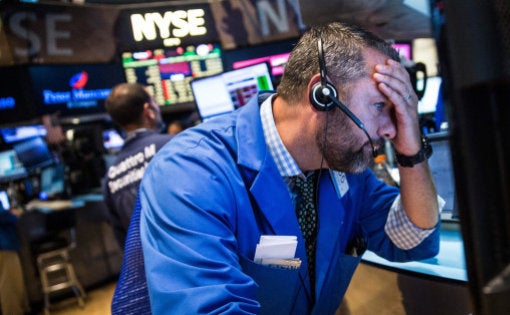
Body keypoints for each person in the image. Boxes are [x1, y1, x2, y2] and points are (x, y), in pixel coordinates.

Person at [137, 22, 441, 314]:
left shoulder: (344, 170)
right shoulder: (191, 172)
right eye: (379, 106)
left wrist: (411, 149)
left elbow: (414, 241)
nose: (391, 130)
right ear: (322, 95)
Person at [102, 83, 174, 249]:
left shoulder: (111, 178)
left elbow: (125, 244)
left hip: (153, 271)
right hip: (201, 261)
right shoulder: (172, 146)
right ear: (148, 110)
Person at [0, 200, 30, 315]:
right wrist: (14, 214)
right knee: (10, 289)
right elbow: (1, 215)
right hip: (4, 245)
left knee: (12, 286)